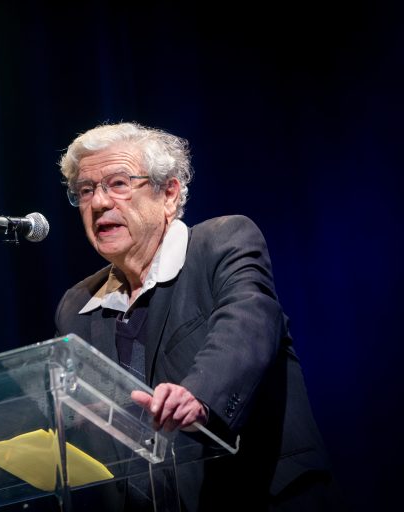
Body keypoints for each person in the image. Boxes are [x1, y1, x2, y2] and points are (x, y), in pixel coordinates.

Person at [53, 122, 342, 511]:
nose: (99, 202)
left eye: (118, 184)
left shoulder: (221, 243)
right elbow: (52, 405)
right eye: (86, 190)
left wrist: (199, 394)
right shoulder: (77, 306)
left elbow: (247, 324)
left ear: (169, 193)